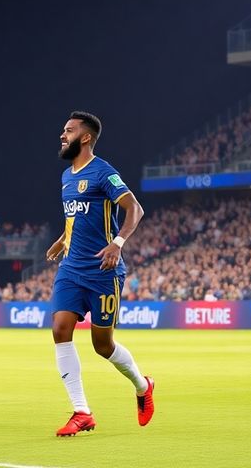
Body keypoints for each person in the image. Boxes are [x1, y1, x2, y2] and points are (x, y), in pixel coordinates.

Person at [46, 111, 154, 437]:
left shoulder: (102, 172)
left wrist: (118, 242)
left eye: (69, 131)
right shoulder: (67, 176)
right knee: (60, 329)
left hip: (103, 271)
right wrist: (62, 240)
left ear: (86, 137)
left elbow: (135, 207)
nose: (62, 135)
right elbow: (76, 218)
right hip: (71, 269)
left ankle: (142, 385)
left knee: (102, 345)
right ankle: (82, 412)